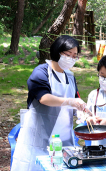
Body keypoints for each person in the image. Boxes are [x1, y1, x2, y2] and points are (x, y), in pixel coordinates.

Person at [11, 35, 92, 171]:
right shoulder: (41, 71)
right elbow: (43, 98)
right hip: (38, 137)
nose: (71, 58)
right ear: (57, 51)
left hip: (63, 139)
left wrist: (82, 112)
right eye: (68, 54)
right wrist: (69, 101)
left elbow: (75, 99)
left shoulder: (70, 77)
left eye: (75, 56)